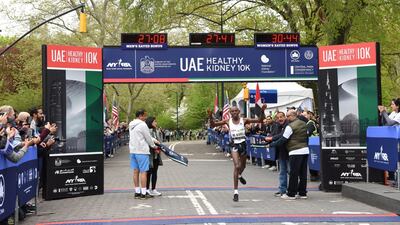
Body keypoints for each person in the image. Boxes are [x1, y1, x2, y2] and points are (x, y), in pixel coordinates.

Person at [208, 105, 266, 202]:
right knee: (237, 165)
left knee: (243, 166)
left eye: (236, 111)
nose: (234, 113)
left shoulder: (244, 120)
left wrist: (262, 111)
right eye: (232, 111)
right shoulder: (227, 121)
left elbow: (260, 120)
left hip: (242, 144)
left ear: (239, 111)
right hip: (233, 144)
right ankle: (236, 192)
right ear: (230, 113)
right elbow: (213, 125)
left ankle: (239, 175)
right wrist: (210, 117)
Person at [269, 109, 309, 200]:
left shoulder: (290, 126)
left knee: (293, 173)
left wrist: (272, 144)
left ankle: (291, 194)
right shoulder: (303, 124)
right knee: (303, 173)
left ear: (292, 116)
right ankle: (302, 193)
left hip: (295, 151)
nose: (287, 118)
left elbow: (283, 139)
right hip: (305, 150)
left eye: (288, 116)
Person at [129, 109, 159, 199]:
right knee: (143, 172)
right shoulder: (143, 125)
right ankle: (143, 193)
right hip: (142, 151)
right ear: (140, 116)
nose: (146, 118)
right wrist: (154, 146)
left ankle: (137, 192)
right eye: (144, 115)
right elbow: (148, 138)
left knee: (135, 171)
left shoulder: (131, 124)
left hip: (133, 150)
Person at [265, 111, 289, 196]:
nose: (280, 119)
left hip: (289, 151)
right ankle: (282, 190)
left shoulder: (288, 125)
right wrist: (266, 139)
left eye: (281, 117)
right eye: (278, 117)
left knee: (291, 172)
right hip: (281, 152)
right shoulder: (277, 126)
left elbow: (281, 136)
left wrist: (271, 139)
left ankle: (293, 190)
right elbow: (274, 134)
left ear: (285, 117)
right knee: (282, 172)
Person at [145, 116, 163, 196]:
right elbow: (147, 142)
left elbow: (159, 141)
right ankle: (147, 189)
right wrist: (154, 147)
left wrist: (159, 148)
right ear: (150, 122)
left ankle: (154, 189)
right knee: (149, 172)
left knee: (155, 172)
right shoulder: (147, 131)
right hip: (150, 155)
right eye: (154, 121)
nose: (156, 123)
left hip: (156, 154)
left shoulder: (156, 131)